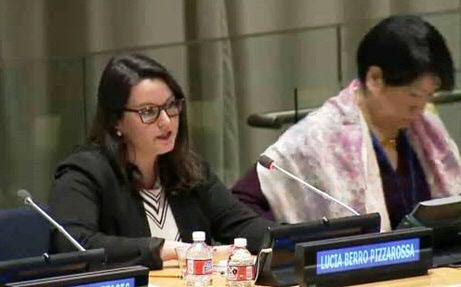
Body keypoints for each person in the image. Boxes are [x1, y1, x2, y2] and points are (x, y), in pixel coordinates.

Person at [232, 15, 461, 231]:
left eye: (429, 96)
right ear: (375, 79)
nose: (421, 107)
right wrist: (289, 248)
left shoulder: (423, 130)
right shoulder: (320, 136)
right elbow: (241, 204)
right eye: (413, 95)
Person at [49, 54, 275, 269]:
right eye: (148, 112)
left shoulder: (188, 170)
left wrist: (295, 238)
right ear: (116, 122)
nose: (166, 122)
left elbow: (243, 226)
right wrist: (164, 249)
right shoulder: (84, 173)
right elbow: (73, 245)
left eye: (170, 106)